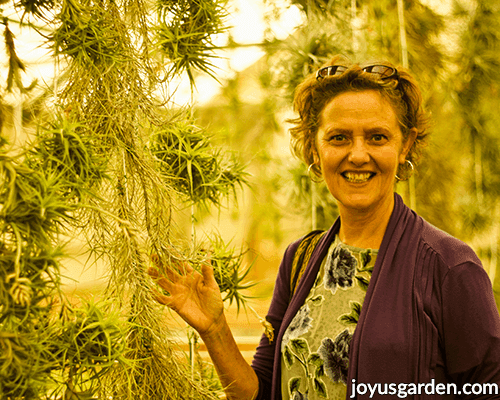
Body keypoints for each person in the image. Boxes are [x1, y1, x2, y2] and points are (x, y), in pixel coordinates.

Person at [149, 58, 500, 400]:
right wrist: (215, 330)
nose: (358, 155)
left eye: (377, 137)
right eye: (338, 138)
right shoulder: (301, 260)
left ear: (404, 144)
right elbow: (260, 391)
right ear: (314, 150)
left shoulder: (449, 266)